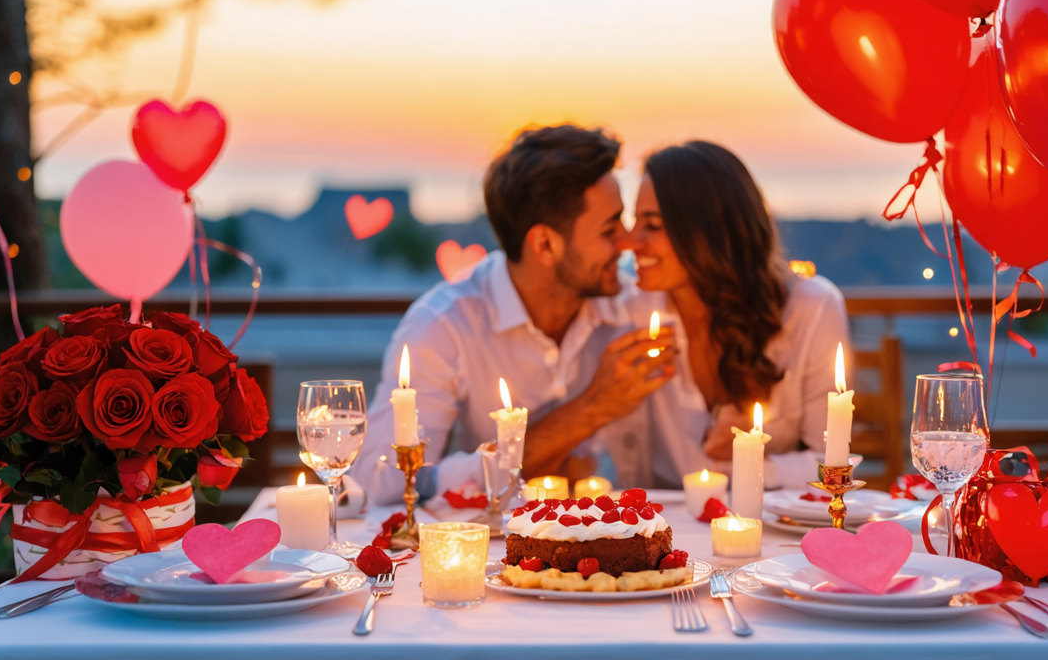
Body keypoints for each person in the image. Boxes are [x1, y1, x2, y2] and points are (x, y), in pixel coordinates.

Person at [349, 124, 676, 506]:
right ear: (545, 244)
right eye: (610, 228)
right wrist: (591, 408)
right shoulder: (444, 326)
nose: (627, 241)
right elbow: (378, 482)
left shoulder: (636, 307)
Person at [608, 140, 851, 490]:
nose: (631, 241)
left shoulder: (811, 309)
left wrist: (752, 463)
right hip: (663, 530)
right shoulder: (629, 312)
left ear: (709, 233)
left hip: (770, 534)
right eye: (635, 222)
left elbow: (831, 462)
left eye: (653, 225)